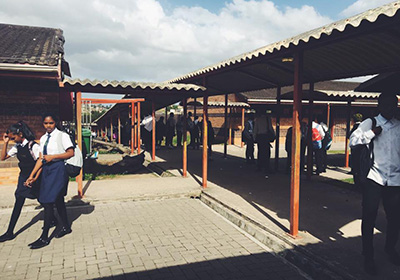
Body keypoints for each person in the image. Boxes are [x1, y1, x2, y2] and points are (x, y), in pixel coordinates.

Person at [349, 92, 400, 275]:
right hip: (374, 178)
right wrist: (371, 133)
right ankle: (368, 256)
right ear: (379, 106)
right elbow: (353, 141)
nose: (390, 108)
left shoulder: (398, 125)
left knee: (395, 218)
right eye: (386, 105)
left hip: (395, 180)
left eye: (394, 105)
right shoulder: (370, 123)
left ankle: (389, 248)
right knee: (369, 216)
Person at [25, 113, 74, 249]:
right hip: (47, 171)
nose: (48, 126)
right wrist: (32, 175)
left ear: (55, 122)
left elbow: (71, 153)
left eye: (51, 123)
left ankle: (44, 237)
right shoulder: (43, 138)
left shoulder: (62, 136)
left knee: (47, 202)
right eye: (46, 123)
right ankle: (66, 227)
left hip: (58, 170)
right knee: (57, 201)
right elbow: (41, 159)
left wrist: (53, 157)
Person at [0, 121, 42, 242]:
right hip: (23, 177)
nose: (12, 140)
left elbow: (41, 163)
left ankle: (53, 219)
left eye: (13, 137)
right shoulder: (17, 147)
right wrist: (5, 143)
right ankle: (9, 232)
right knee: (19, 199)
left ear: (21, 134)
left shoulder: (33, 146)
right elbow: (3, 158)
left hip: (35, 177)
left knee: (41, 198)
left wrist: (34, 178)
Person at [253, 110, 275, 178]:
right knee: (267, 153)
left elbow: (255, 129)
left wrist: (254, 138)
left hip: (260, 137)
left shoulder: (257, 120)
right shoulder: (268, 119)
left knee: (260, 152)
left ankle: (259, 166)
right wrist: (274, 135)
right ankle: (266, 167)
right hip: (265, 137)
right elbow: (270, 128)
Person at [350, 113, 364, 187]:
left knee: (356, 165)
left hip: (356, 149)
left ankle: (357, 182)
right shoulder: (364, 126)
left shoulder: (355, 127)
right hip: (363, 149)